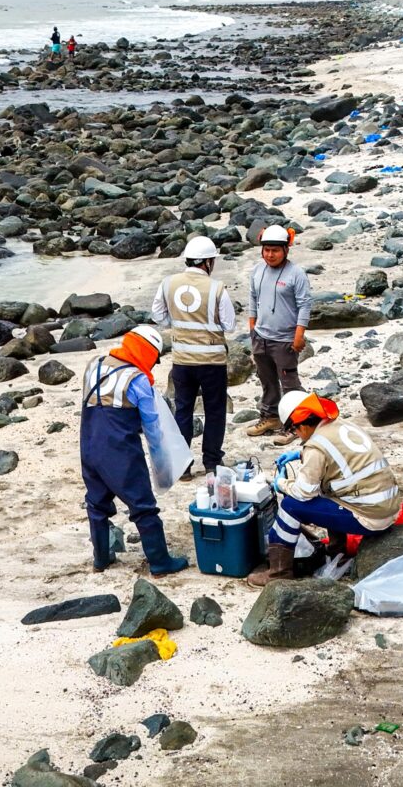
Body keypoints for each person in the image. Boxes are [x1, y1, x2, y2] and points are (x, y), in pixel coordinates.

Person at [245, 390, 402, 588]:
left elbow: (304, 492)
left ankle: (278, 573)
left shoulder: (315, 447)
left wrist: (280, 484)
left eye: (294, 430)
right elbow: (337, 456)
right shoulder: (339, 424)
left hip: (369, 516)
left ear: (302, 425)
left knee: (289, 506)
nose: (296, 435)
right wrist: (299, 454)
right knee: (329, 492)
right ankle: (338, 553)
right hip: (386, 505)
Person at [79, 325, 189, 575]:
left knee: (96, 504)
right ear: (148, 353)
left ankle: (101, 559)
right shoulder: (137, 380)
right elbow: (152, 427)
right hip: (120, 453)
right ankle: (161, 562)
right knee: (142, 506)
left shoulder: (94, 365)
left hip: (88, 446)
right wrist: (162, 464)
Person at [151, 236, 237, 474]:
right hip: (212, 361)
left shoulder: (168, 283)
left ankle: (184, 465)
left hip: (182, 360)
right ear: (208, 262)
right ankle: (211, 462)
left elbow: (157, 314)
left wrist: (176, 325)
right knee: (215, 411)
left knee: (183, 410)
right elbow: (229, 325)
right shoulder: (217, 288)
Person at [244, 224, 311, 442]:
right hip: (261, 337)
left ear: (286, 250)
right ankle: (271, 417)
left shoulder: (296, 274)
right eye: (266, 250)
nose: (270, 254)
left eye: (275, 250)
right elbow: (253, 298)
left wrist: (299, 334)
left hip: (285, 339)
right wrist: (252, 327)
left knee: (290, 384)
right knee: (267, 380)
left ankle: (296, 425)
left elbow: (304, 305)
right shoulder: (257, 270)